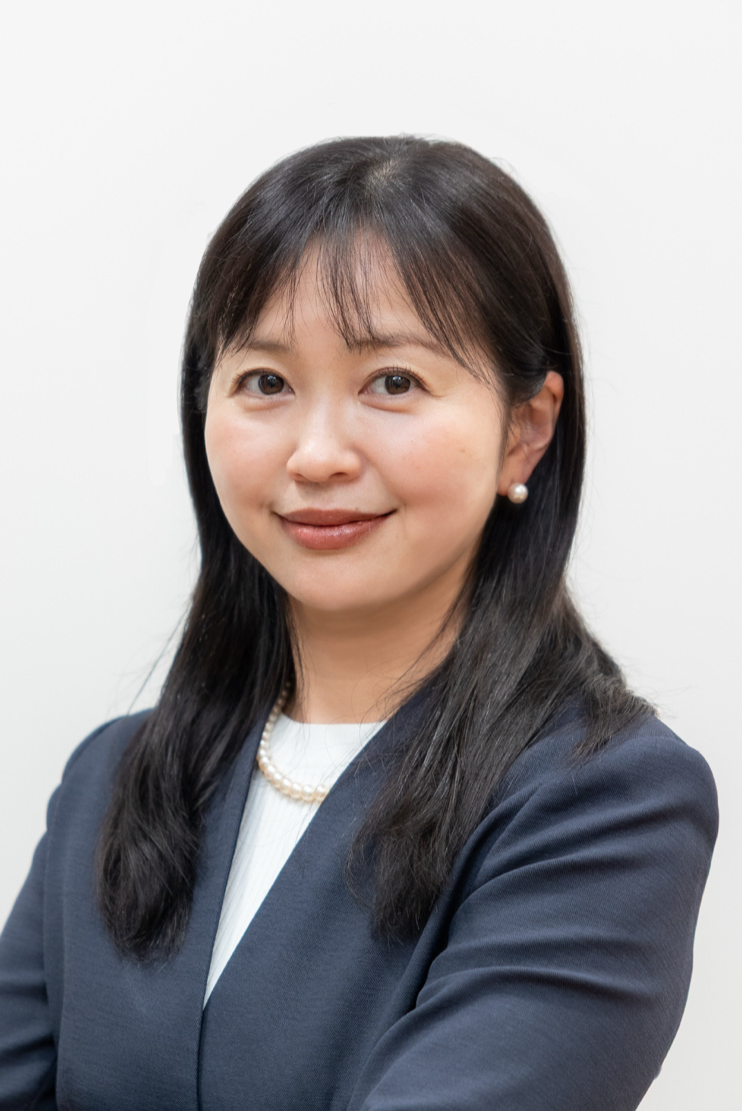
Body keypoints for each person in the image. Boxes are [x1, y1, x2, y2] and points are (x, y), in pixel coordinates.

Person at [0, 136, 717, 1111]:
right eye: (265, 382)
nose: (317, 453)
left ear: (525, 429)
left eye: (393, 382)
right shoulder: (112, 781)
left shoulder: (604, 801)